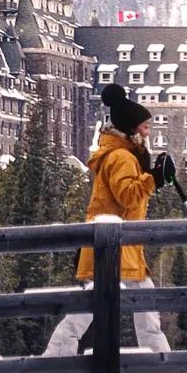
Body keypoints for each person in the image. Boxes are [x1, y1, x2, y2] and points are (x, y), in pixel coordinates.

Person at [41, 82, 174, 356]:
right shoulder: (122, 157)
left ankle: (161, 358)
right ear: (132, 129)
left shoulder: (124, 155)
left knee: (135, 308)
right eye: (146, 127)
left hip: (125, 247)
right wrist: (155, 179)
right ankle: (55, 357)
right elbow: (127, 195)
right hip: (112, 246)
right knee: (98, 308)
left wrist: (152, 175)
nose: (149, 133)